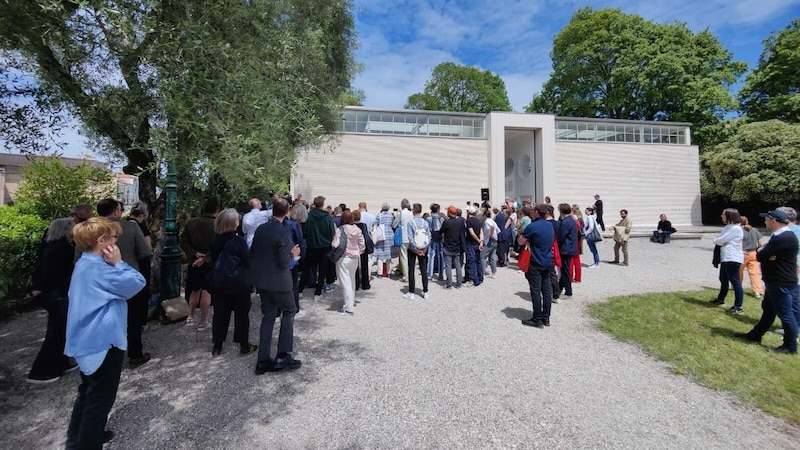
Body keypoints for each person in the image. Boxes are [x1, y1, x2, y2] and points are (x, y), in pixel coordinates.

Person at [64, 217, 146, 449]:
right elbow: (136, 283)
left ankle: (76, 440)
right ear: (102, 241)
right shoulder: (101, 269)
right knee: (99, 403)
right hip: (102, 341)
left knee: (87, 394)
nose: (116, 241)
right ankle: (87, 443)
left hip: (86, 339)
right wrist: (119, 263)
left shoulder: (84, 263)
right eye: (114, 237)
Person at [735, 209, 799, 354]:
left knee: (786, 314)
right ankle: (755, 335)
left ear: (774, 221)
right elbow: (763, 253)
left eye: (767, 219)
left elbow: (761, 255)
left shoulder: (784, 237)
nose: (765, 221)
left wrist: (764, 252)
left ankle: (790, 346)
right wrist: (764, 252)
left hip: (780, 281)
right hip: (774, 281)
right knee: (768, 310)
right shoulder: (780, 236)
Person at [97, 198, 152, 368]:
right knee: (132, 317)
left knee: (103, 318)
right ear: (115, 211)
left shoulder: (89, 230)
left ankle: (106, 356)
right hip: (127, 279)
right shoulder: (131, 227)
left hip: (100, 282)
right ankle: (135, 354)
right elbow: (145, 252)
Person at [250, 198, 302, 374]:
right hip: (279, 281)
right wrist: (293, 253)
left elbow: (254, 253)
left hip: (262, 281)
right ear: (287, 211)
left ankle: (263, 359)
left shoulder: (261, 229)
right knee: (289, 310)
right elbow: (283, 261)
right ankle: (283, 354)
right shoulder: (283, 231)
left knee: (268, 316)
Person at [27, 218, 77, 384]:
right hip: (58, 293)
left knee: (61, 330)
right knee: (56, 332)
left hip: (57, 292)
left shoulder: (55, 247)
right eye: (72, 227)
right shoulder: (61, 249)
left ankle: (61, 362)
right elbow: (50, 273)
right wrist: (39, 287)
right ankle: (42, 371)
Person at [209, 209, 257, 357]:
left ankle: (217, 345)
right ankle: (243, 344)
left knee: (220, 314)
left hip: (219, 282)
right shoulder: (239, 241)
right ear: (233, 223)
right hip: (238, 281)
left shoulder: (216, 239)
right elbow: (248, 261)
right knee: (242, 313)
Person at [180, 198, 218, 331]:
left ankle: (190, 317)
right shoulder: (216, 225)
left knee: (194, 289)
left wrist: (194, 254)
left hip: (194, 261)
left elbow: (183, 241)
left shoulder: (192, 222)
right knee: (207, 292)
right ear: (216, 210)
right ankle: (203, 321)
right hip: (209, 263)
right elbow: (217, 246)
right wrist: (206, 258)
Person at [518, 203, 555, 328]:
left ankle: (537, 318)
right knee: (546, 291)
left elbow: (521, 241)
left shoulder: (532, 226)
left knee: (535, 291)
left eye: (534, 211)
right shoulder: (550, 225)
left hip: (536, 261)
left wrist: (527, 239)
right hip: (547, 260)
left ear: (537, 212)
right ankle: (546, 317)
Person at [710, 208, 744, 314]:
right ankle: (721, 299)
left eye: (723, 215)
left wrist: (719, 241)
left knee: (735, 282)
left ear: (729, 216)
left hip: (732, 258)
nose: (721, 216)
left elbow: (719, 241)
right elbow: (719, 240)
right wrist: (718, 241)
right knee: (723, 279)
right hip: (726, 257)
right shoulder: (727, 227)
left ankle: (738, 306)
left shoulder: (735, 229)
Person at [305, 196, 335, 302]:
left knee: (307, 268)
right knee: (322, 270)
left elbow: (305, 230)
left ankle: (299, 290)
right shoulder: (327, 217)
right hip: (324, 246)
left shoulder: (309, 216)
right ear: (322, 204)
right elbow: (332, 232)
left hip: (311, 245)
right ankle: (318, 293)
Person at [334, 210, 365, 314]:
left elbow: (335, 244)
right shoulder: (357, 229)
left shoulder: (340, 229)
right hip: (355, 258)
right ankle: (350, 303)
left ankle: (348, 307)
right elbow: (362, 244)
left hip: (343, 257)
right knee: (351, 281)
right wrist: (358, 252)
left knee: (345, 283)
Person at [405, 203, 431, 299]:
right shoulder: (426, 222)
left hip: (413, 249)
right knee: (424, 270)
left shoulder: (411, 222)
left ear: (413, 211)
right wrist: (425, 248)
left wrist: (415, 249)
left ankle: (411, 292)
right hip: (424, 247)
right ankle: (425, 291)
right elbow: (429, 236)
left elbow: (410, 238)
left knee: (411, 269)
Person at [288, 203, 308, 318]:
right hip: (293, 256)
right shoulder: (295, 225)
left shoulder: (285, 223)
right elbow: (299, 241)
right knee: (293, 283)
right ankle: (295, 309)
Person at [440, 205, 466, 289]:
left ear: (449, 213)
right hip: (457, 246)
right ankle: (459, 283)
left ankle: (449, 284)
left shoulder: (446, 222)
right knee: (458, 265)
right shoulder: (459, 222)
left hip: (448, 246)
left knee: (448, 266)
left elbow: (441, 232)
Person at [556, 203, 577, 299]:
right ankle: (558, 289)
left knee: (565, 271)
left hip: (566, 248)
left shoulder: (565, 222)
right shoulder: (571, 220)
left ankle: (568, 292)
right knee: (565, 270)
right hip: (570, 247)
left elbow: (561, 236)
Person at [740, 216, 764, 299]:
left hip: (743, 253)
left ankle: (738, 287)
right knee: (754, 273)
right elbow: (760, 243)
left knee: (739, 271)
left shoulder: (739, 231)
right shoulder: (754, 230)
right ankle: (757, 290)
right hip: (753, 253)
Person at [393, 199, 413, 282]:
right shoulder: (411, 214)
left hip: (403, 237)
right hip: (411, 237)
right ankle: (410, 273)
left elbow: (394, 224)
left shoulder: (400, 214)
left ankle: (406, 276)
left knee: (404, 257)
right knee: (410, 257)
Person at [373, 203, 395, 278]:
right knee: (389, 254)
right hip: (389, 234)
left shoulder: (379, 215)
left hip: (381, 234)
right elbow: (392, 224)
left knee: (380, 254)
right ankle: (389, 272)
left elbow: (375, 224)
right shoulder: (391, 216)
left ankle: (380, 272)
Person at [464, 205, 484, 287]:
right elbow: (481, 232)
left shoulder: (469, 221)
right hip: (477, 244)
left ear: (469, 213)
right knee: (478, 261)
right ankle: (480, 277)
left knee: (471, 261)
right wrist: (481, 241)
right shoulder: (478, 221)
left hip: (471, 243)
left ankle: (471, 279)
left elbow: (472, 233)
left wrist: (478, 240)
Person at [353, 210, 372, 291]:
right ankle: (365, 284)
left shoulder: (352, 225)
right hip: (363, 246)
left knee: (355, 267)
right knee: (365, 265)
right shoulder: (363, 225)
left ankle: (356, 284)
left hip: (354, 247)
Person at [426, 203, 445, 280]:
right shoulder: (441, 219)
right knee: (441, 255)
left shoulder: (429, 219)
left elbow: (428, 229)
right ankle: (441, 275)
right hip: (440, 237)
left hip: (432, 237)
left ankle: (430, 275)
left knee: (431, 256)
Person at [481, 208, 499, 278]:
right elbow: (497, 229)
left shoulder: (487, 221)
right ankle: (493, 272)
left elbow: (492, 227)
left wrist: (491, 235)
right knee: (492, 256)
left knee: (482, 256)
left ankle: (482, 273)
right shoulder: (492, 220)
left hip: (489, 240)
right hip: (494, 240)